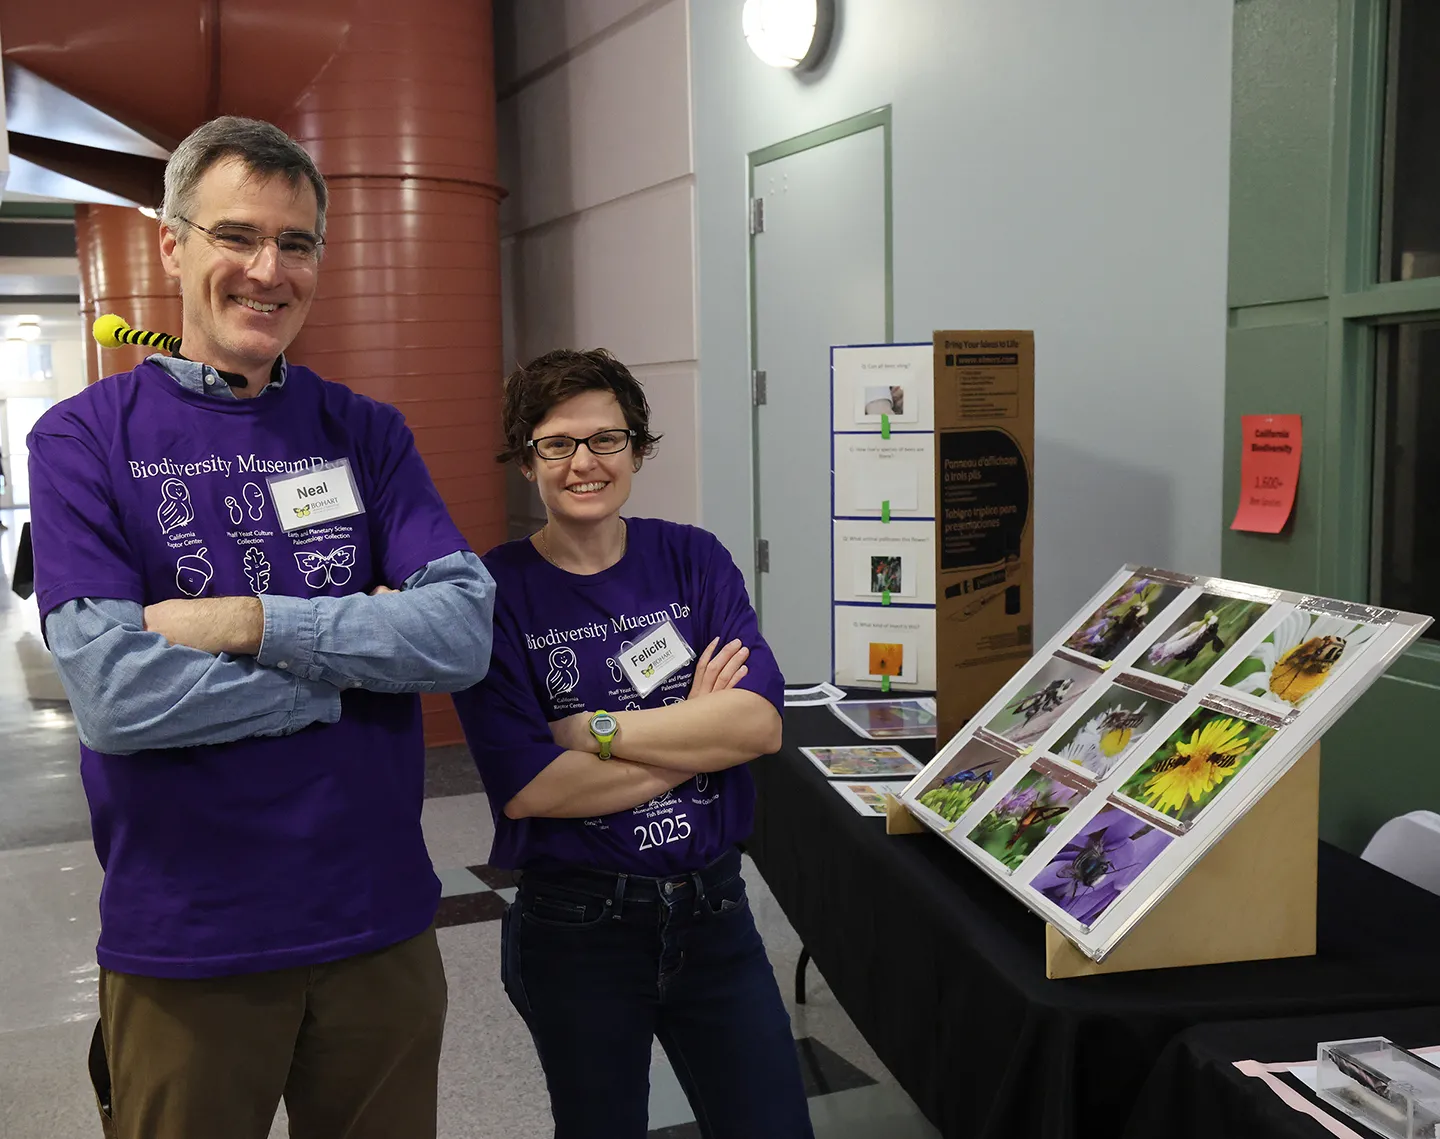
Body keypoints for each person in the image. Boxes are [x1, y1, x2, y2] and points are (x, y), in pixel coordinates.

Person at [26, 116, 495, 1139]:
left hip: (377, 925)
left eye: (296, 242)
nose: (266, 269)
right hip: (189, 943)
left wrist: (243, 619)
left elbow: (460, 633)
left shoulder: (364, 431)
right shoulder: (83, 443)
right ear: (172, 244)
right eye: (236, 235)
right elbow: (115, 694)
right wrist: (354, 662)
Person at [452, 349, 814, 1139]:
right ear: (526, 461)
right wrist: (695, 727)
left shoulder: (693, 556)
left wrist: (594, 730)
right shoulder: (491, 594)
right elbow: (533, 787)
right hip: (579, 927)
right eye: (557, 444)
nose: (584, 462)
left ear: (639, 448)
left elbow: (758, 725)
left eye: (606, 439)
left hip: (715, 911)